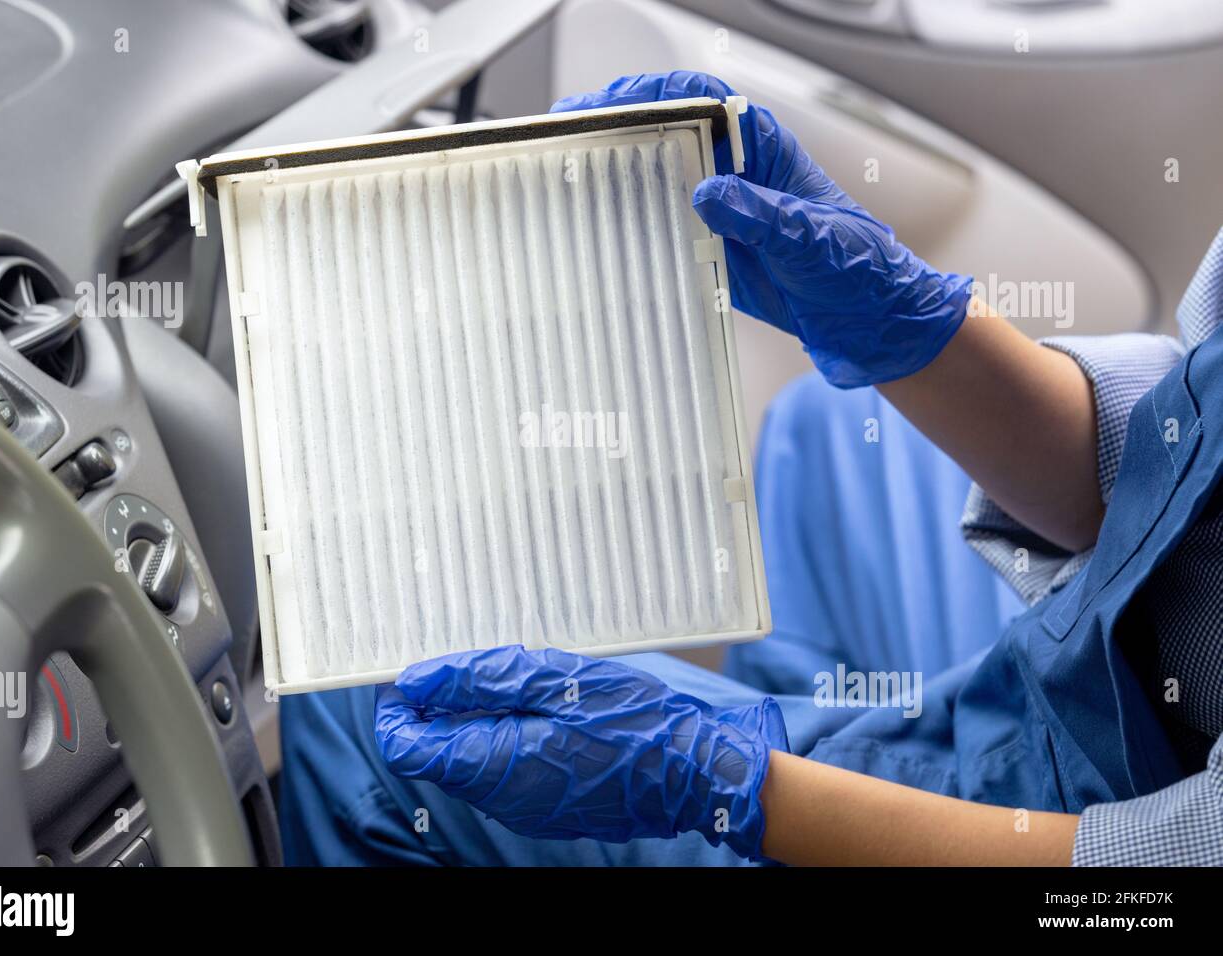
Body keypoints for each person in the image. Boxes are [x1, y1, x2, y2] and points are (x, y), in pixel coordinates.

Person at [279, 72, 1223, 866]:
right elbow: (1188, 442)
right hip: (1122, 672)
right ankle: (834, 736)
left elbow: (1135, 892)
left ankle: (825, 780)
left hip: (1089, 850)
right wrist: (913, 331)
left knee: (372, 712)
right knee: (831, 428)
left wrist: (734, 787)